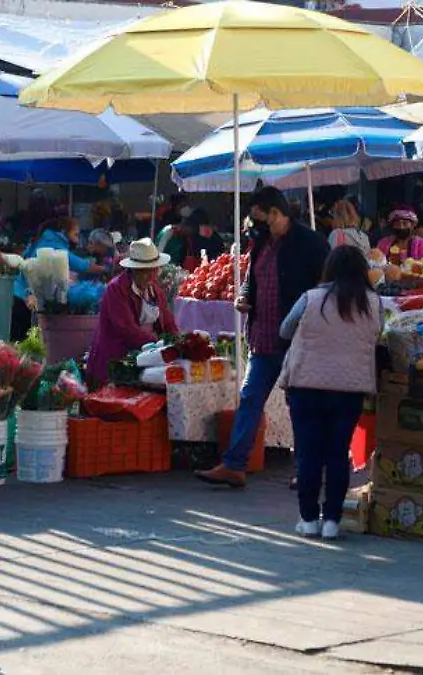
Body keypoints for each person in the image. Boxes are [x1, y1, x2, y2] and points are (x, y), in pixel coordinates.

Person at [195, 186, 330, 489]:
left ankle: (308, 469)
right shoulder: (261, 243)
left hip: (296, 339)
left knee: (300, 406)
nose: (256, 228)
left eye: (261, 220)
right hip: (262, 338)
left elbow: (328, 284)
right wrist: (244, 296)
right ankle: (234, 465)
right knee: (250, 399)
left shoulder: (310, 243)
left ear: (276, 213)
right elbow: (251, 279)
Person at [277, 245, 383, 539]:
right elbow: (378, 333)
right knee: (338, 453)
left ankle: (309, 519)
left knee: (308, 453)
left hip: (307, 386)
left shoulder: (311, 299)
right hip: (348, 390)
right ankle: (333, 521)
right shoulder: (372, 303)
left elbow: (285, 330)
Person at [85, 238, 180, 387]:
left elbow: (168, 322)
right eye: (145, 271)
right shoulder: (116, 289)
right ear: (134, 269)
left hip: (143, 355)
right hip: (115, 360)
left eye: (154, 270)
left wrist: (177, 343)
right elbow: (127, 329)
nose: (151, 276)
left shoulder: (155, 290)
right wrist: (158, 344)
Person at [11, 217, 105, 340]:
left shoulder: (46, 239)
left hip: (21, 295)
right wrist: (104, 269)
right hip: (26, 297)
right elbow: (78, 264)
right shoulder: (53, 243)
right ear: (64, 231)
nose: (77, 240)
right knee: (24, 341)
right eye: (75, 235)